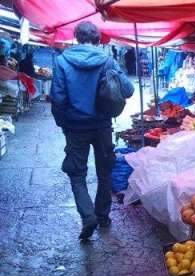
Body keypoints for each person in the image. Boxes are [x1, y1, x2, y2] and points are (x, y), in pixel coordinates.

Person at [50, 21, 134, 241]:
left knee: (76, 174)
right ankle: (103, 216)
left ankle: (88, 216)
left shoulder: (61, 61)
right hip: (102, 125)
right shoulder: (107, 60)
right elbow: (128, 89)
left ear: (76, 38)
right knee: (104, 172)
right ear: (98, 39)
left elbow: (58, 98)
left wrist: (63, 123)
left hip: (75, 127)